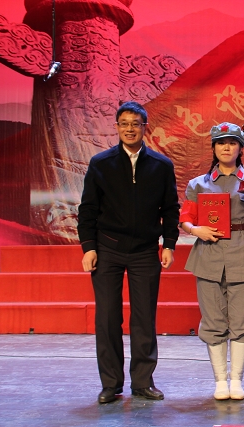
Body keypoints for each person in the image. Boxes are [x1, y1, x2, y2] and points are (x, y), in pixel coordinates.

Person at [77, 101, 180, 404]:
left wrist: (169, 244)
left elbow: (170, 209)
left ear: (144, 127)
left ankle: (143, 382)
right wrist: (88, 247)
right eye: (124, 123)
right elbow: (87, 209)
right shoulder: (101, 163)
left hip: (145, 250)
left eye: (135, 123)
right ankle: (111, 384)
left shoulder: (161, 165)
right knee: (107, 318)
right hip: (107, 248)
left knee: (144, 318)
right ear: (117, 127)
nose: (130, 129)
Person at [179, 122, 244, 400]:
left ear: (240, 148)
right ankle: (220, 380)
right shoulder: (199, 183)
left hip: (243, 253)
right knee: (213, 320)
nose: (226, 147)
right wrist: (195, 230)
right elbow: (185, 218)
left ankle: (236, 380)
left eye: (232, 142)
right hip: (208, 255)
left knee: (243, 320)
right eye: (221, 143)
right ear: (213, 148)